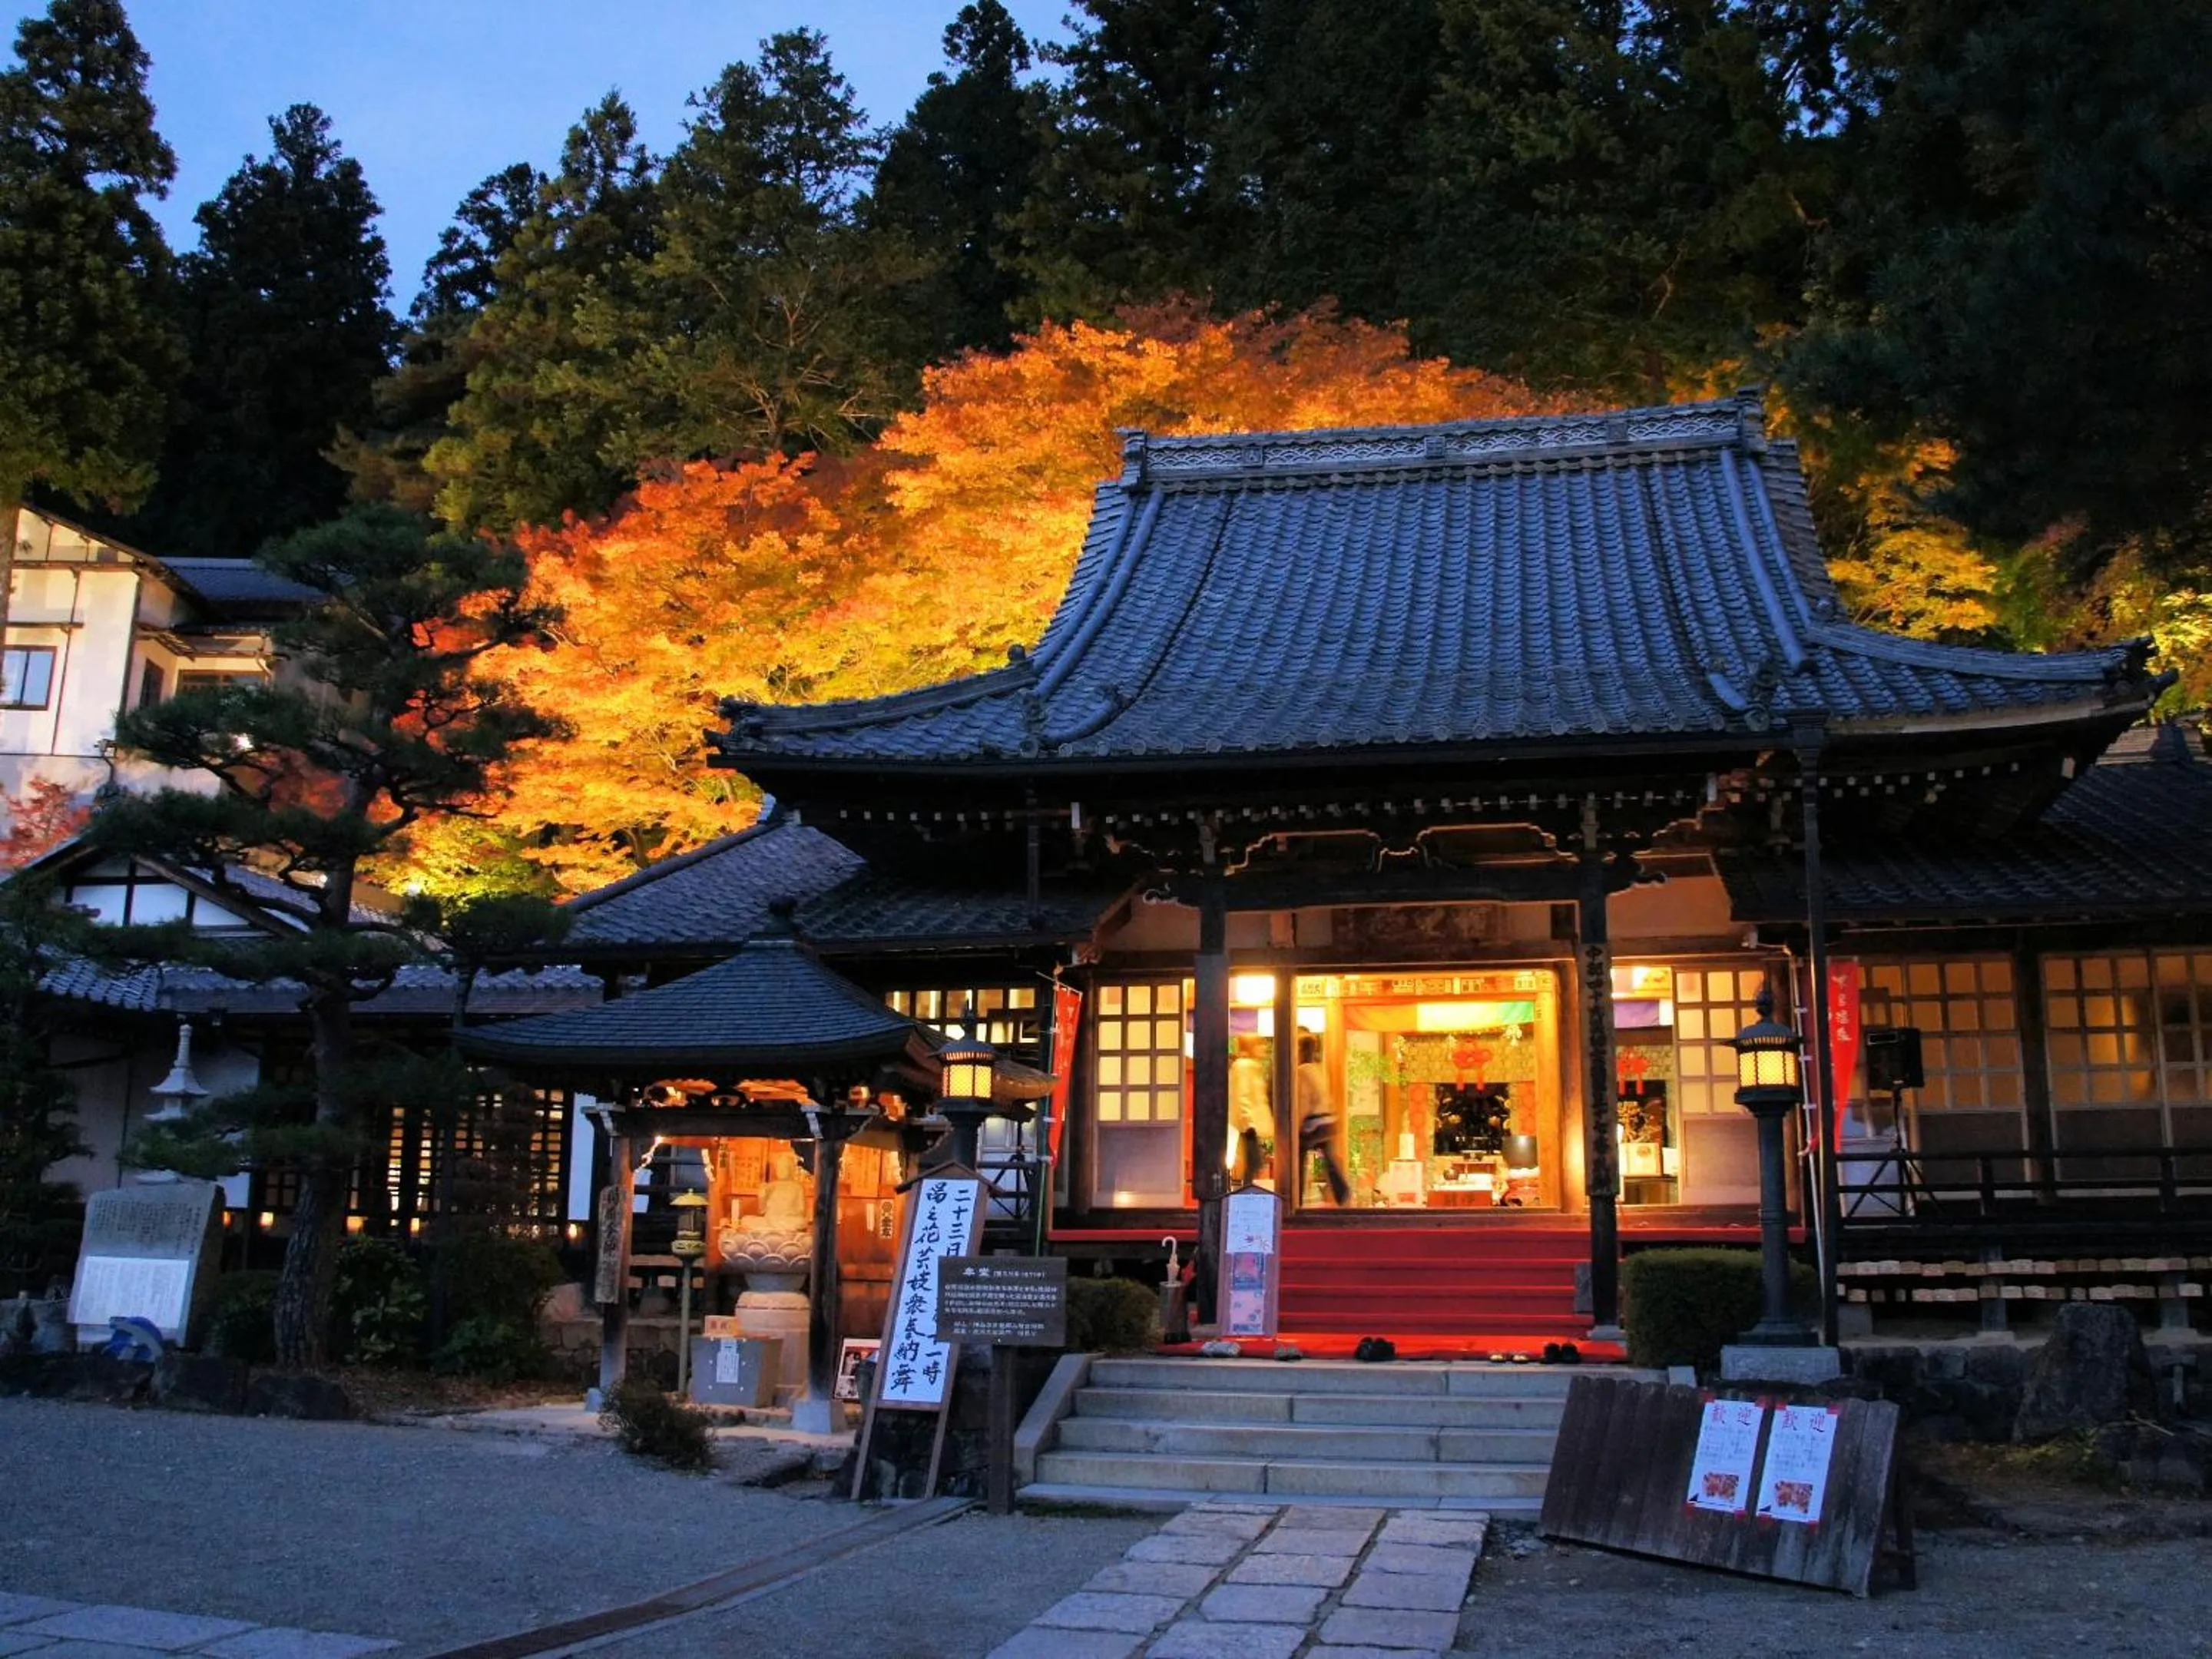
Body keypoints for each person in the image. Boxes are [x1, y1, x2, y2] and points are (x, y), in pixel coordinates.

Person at [1296, 1031, 1353, 1205]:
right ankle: (1342, 1194)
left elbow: (1304, 1100)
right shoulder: (1318, 1069)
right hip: (1328, 1120)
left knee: (1297, 1155)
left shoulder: (1302, 1071)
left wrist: (1296, 1125)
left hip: (1313, 1123)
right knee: (1329, 1160)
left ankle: (1296, 1195)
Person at [1228, 1033, 1273, 1185]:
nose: (1264, 1048)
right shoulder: (1245, 1067)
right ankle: (1246, 1194)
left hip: (1249, 1123)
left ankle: (1246, 1192)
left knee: (1253, 1163)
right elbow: (1243, 1095)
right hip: (1248, 1124)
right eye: (1260, 1044)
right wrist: (1248, 1122)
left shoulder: (1250, 1067)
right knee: (1253, 1163)